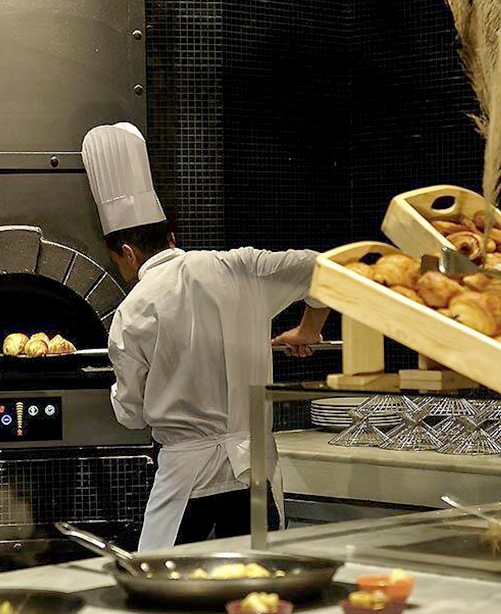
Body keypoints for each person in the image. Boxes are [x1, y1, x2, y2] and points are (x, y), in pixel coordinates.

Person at [81, 122, 329, 551]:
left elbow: (132, 415)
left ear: (127, 254)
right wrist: (308, 330)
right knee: (257, 578)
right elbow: (327, 271)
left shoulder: (133, 311)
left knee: (161, 578)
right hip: (251, 467)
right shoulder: (240, 267)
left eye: (118, 263)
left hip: (186, 475)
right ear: (171, 238)